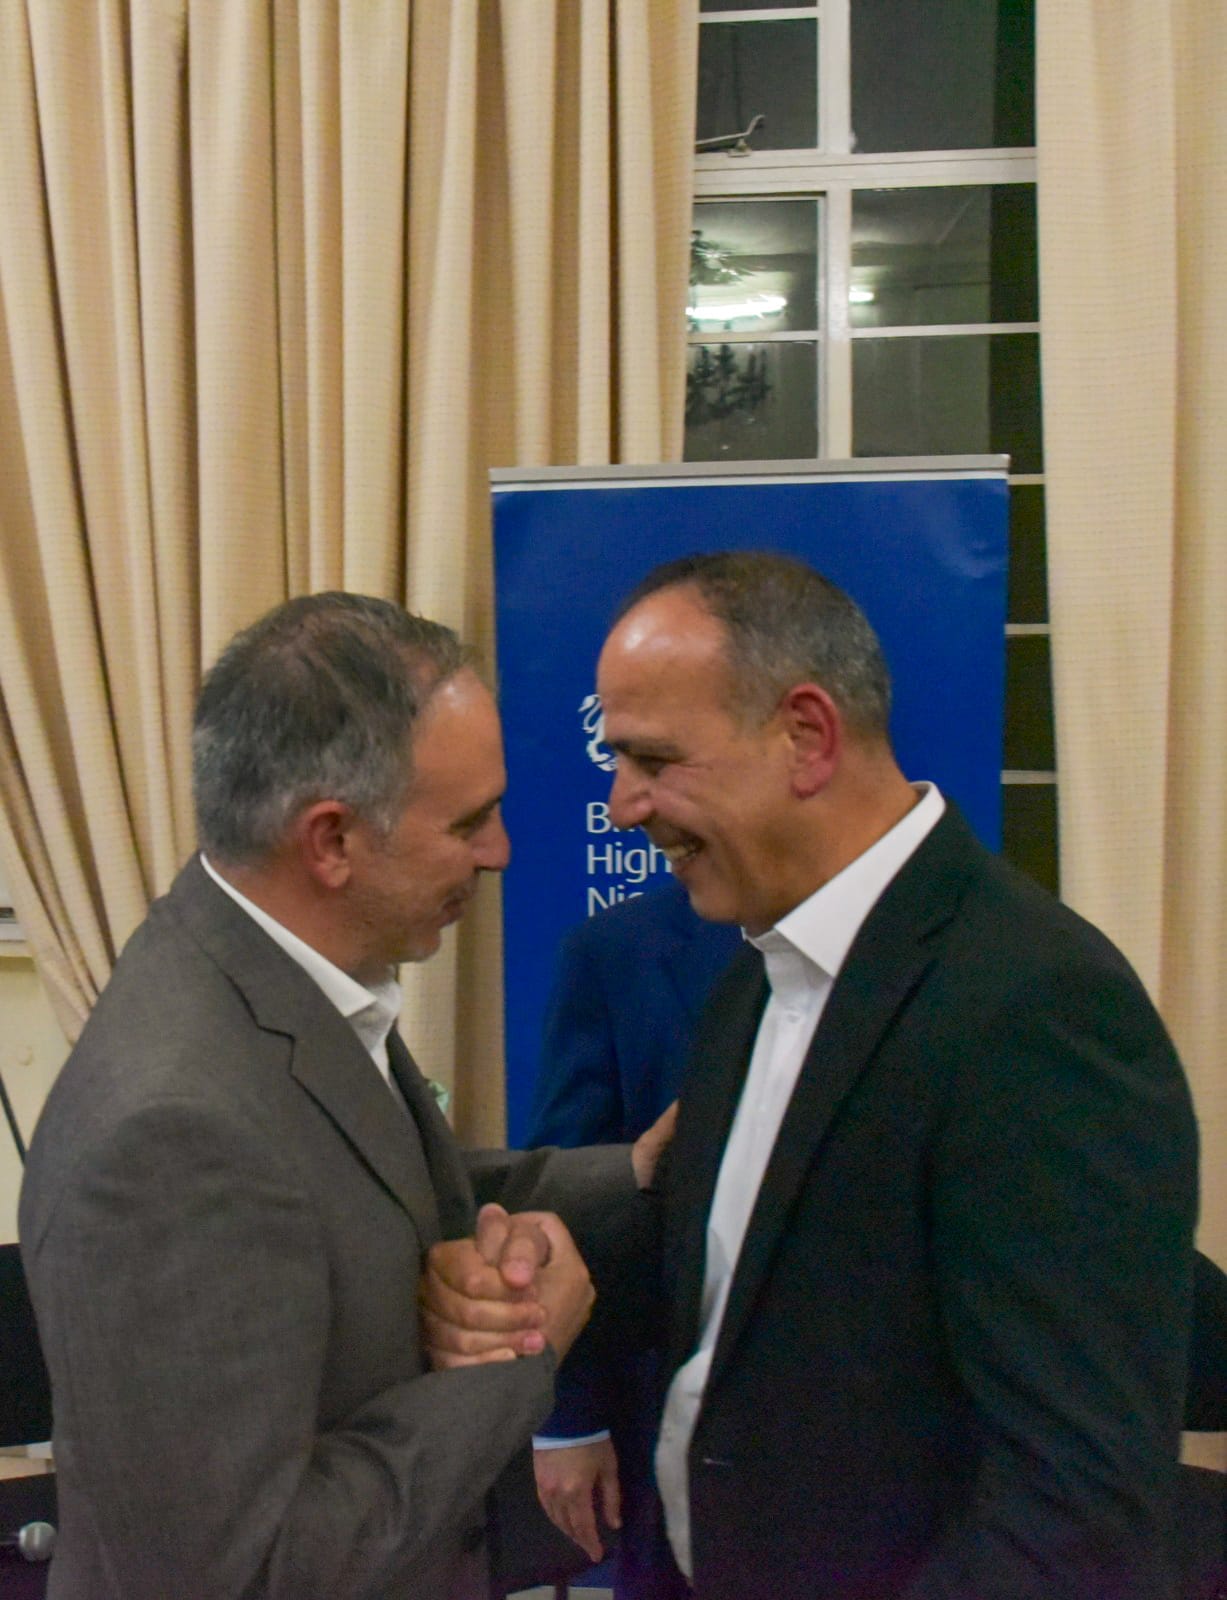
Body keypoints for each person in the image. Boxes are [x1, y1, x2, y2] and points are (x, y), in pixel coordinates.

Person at [428, 551, 1200, 1600]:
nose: (620, 805)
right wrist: (542, 1269)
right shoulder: (755, 969)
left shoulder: (1038, 1008)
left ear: (807, 735)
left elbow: (1075, 1506)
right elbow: (746, 1285)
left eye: (653, 759)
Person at [18, 592, 661, 1600]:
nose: (499, 851)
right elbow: (242, 1571)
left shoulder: (267, 982)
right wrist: (522, 1356)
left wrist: (637, 1175)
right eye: (469, 822)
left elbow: (365, 1192)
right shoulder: (170, 1132)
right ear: (330, 841)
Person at [527, 880, 740, 1598]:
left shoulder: (942, 947)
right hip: (670, 1423)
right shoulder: (617, 948)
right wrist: (567, 1418)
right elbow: (566, 1198)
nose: (627, 820)